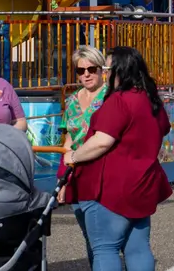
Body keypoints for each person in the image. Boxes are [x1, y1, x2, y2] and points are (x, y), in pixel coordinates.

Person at [65, 47, 172, 271]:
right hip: (142, 184)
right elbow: (163, 128)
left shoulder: (119, 100)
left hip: (110, 189)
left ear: (119, 70)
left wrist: (73, 156)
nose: (104, 73)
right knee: (138, 248)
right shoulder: (150, 100)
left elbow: (102, 141)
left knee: (105, 249)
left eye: (106, 68)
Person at [57, 46, 108, 262]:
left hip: (105, 170)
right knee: (89, 233)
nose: (86, 74)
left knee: (105, 237)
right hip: (77, 173)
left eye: (91, 69)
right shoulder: (71, 101)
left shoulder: (111, 97)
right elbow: (68, 142)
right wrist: (62, 180)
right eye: (80, 70)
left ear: (101, 69)